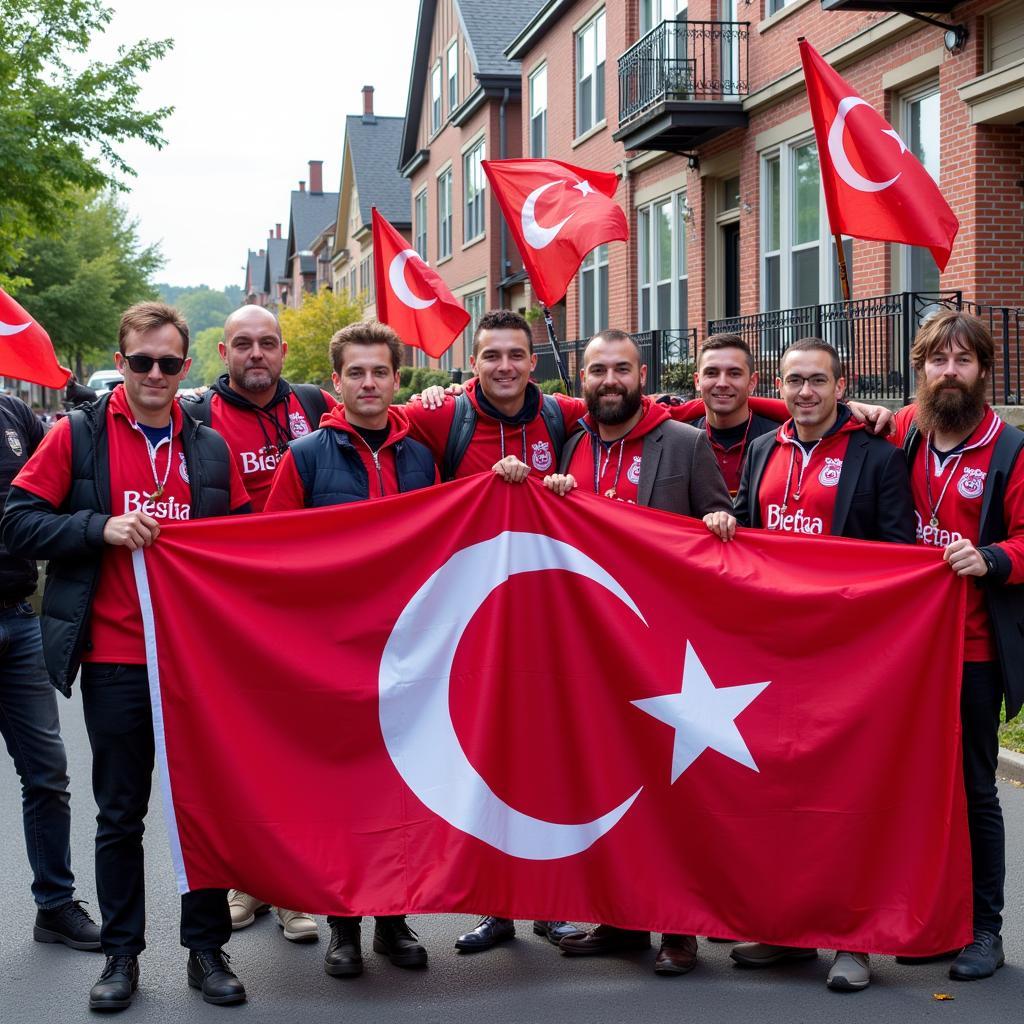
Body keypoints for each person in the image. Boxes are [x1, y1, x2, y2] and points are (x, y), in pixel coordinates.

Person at [2, 302, 252, 1011]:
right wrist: (98, 527)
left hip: (194, 663)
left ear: (185, 368)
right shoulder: (78, 435)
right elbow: (18, 521)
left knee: (204, 809)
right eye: (140, 361)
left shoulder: (207, 447)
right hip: (116, 655)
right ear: (122, 358)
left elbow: (238, 544)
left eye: (168, 363)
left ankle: (206, 949)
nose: (153, 374)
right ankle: (121, 956)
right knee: (120, 814)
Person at [705, 337, 915, 992]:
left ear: (841, 384)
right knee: (780, 796)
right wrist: (721, 520)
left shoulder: (877, 458)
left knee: (846, 800)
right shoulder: (765, 449)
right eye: (794, 381)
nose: (804, 393)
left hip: (847, 657)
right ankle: (786, 932)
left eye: (817, 381)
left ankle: (852, 941)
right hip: (775, 654)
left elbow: (897, 556)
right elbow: (746, 528)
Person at [534, 329, 731, 976]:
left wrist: (719, 525)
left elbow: (717, 529)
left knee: (674, 792)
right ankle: (620, 920)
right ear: (582, 380)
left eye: (621, 368)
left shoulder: (685, 441)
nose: (609, 380)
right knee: (608, 785)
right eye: (597, 370)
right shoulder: (573, 444)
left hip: (667, 651)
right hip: (593, 650)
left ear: (641, 373)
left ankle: (679, 929)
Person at [399, 309, 583, 953]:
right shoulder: (444, 416)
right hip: (469, 618)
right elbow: (355, 417)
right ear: (471, 365)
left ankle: (551, 902)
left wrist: (867, 412)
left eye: (515, 355)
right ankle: (495, 907)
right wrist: (419, 392)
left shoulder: (562, 415)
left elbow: (663, 409)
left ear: (534, 362)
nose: (504, 366)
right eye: (490, 356)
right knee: (484, 758)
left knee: (544, 759)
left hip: (544, 617)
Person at [265, 320, 436, 977]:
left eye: (381, 372)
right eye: (356, 373)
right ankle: (345, 926)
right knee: (343, 795)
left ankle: (394, 920)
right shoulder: (307, 457)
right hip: (334, 654)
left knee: (399, 792)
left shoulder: (419, 456)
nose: (369, 383)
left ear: (397, 380)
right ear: (336, 383)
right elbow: (274, 551)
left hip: (409, 653)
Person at [183, 303, 332, 940]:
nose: (255, 355)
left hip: (317, 607)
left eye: (266, 343)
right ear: (224, 353)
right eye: (242, 344)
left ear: (283, 348)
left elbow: (396, 423)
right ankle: (251, 882)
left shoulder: (317, 404)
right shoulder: (199, 420)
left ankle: (294, 888)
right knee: (248, 751)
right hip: (237, 614)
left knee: (306, 749)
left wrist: (442, 389)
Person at [887, 310, 1024, 982]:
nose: (949, 372)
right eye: (937, 360)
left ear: (982, 371)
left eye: (962, 360)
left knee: (974, 788)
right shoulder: (906, 431)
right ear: (920, 370)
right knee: (911, 786)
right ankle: (933, 917)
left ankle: (986, 930)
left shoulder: (1010, 449)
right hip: (905, 651)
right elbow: (810, 398)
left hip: (971, 650)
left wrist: (994, 558)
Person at [0, 393, 100, 952]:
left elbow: (50, 502)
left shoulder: (13, 413)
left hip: (18, 618)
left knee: (47, 773)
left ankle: (54, 906)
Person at [686, 334, 779, 495]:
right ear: (697, 381)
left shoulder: (779, 442)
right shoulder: (679, 443)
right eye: (711, 373)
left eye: (734, 373)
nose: (722, 383)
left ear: (752, 382)